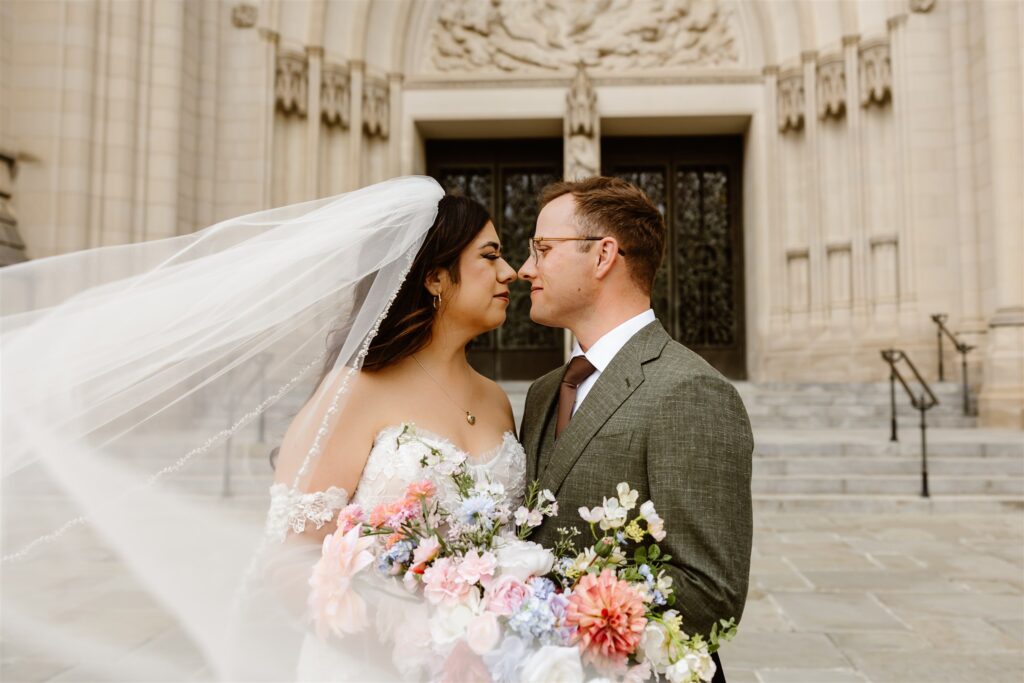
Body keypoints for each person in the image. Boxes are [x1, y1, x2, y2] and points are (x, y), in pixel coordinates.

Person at [517, 176, 754, 683]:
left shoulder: (691, 391)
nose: (524, 269)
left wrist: (553, 616)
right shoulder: (542, 394)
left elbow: (710, 591)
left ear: (603, 256)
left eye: (542, 249)